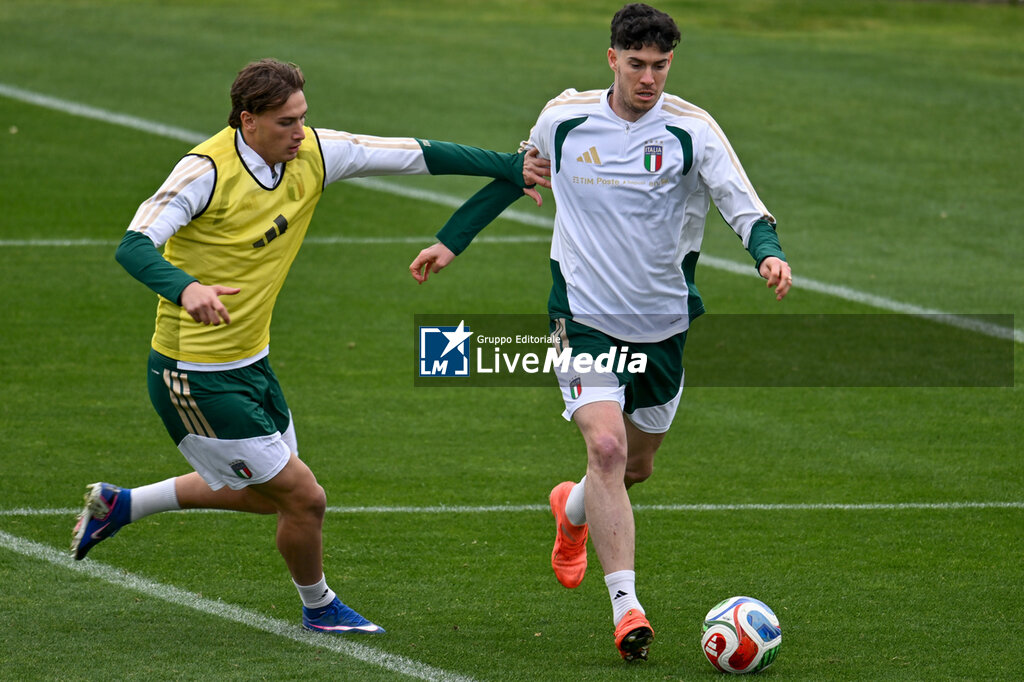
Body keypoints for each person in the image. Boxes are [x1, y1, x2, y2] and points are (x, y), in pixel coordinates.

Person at [71, 58, 536, 635]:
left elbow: (417, 153)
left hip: (252, 362)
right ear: (248, 121)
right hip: (193, 373)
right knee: (304, 497)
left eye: (303, 118)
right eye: (287, 122)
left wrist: (512, 167)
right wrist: (186, 287)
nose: (301, 132)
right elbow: (134, 245)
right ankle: (319, 607)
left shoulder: (314, 152)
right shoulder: (204, 172)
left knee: (270, 495)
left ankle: (122, 505)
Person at [409, 3, 792, 662]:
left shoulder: (692, 132)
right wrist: (452, 240)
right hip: (578, 318)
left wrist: (767, 251)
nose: (649, 78)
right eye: (637, 64)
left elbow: (743, 202)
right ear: (612, 58)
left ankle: (573, 509)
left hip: (663, 326)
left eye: (661, 66)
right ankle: (627, 609)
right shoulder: (565, 118)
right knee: (609, 448)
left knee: (634, 466)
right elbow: (520, 171)